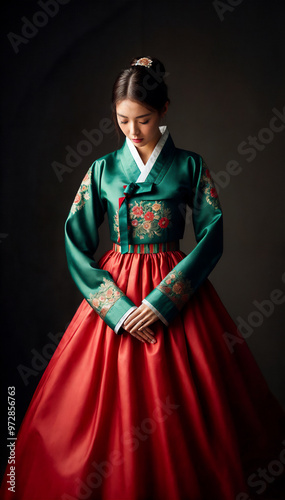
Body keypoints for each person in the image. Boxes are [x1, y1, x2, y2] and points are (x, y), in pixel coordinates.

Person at [1, 56, 285, 500]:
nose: (133, 131)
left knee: (199, 413)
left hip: (177, 290)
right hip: (114, 296)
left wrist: (161, 302)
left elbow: (213, 235)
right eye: (122, 121)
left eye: (144, 119)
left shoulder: (190, 166)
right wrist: (115, 308)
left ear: (165, 110)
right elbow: (75, 240)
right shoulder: (102, 170)